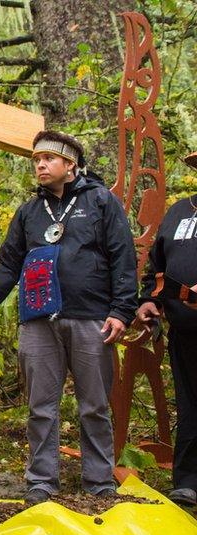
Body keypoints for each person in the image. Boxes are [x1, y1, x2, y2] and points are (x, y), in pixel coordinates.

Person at [0, 130, 137, 506]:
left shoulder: (101, 202)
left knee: (94, 404)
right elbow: (7, 266)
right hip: (38, 320)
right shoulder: (29, 212)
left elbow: (123, 257)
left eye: (48, 159)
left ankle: (99, 482)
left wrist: (121, 311)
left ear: (70, 165)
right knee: (40, 406)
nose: (40, 166)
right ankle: (41, 482)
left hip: (91, 316)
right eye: (36, 161)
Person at [136, 151, 197, 507]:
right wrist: (150, 301)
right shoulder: (180, 212)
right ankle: (188, 480)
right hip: (185, 330)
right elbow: (156, 268)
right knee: (189, 404)